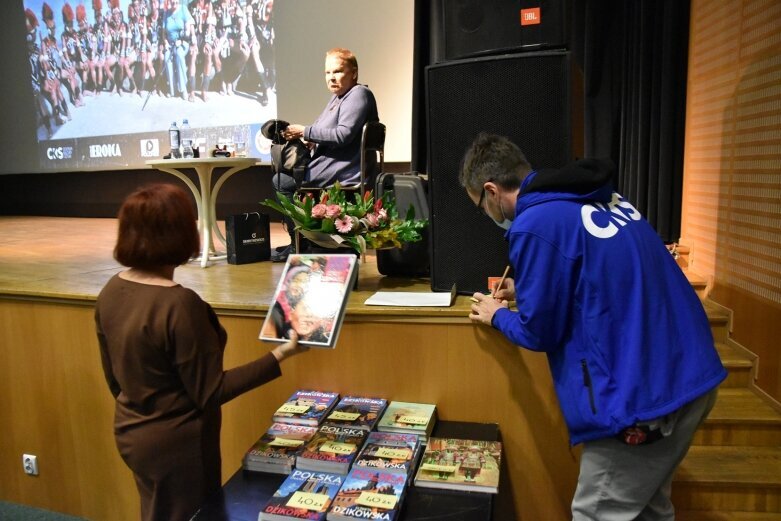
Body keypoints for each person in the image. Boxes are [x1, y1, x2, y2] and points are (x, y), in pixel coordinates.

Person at [460, 132, 727, 520]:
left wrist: (497, 315)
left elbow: (540, 332)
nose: (487, 214)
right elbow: (599, 273)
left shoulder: (534, 223)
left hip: (643, 401)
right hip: (690, 375)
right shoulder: (596, 198)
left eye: (481, 205)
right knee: (649, 509)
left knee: (597, 513)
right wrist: (529, 286)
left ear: (492, 190)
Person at [95, 183, 309, 521]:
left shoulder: (112, 289)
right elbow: (212, 391)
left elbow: (114, 379)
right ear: (179, 234)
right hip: (179, 446)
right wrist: (280, 355)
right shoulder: (179, 305)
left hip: (132, 434)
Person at [271, 47, 379, 262]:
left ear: (354, 73)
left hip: (344, 170)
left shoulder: (358, 94)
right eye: (327, 73)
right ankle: (303, 242)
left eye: (338, 71)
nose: (331, 78)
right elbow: (326, 130)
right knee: (284, 173)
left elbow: (343, 135)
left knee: (282, 181)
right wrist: (308, 139)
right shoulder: (338, 98)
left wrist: (304, 131)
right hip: (330, 166)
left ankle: (301, 242)